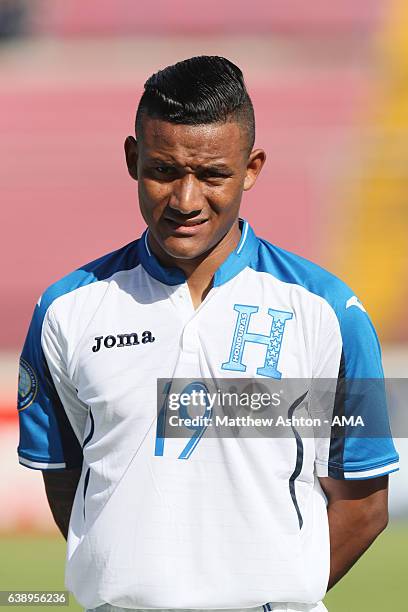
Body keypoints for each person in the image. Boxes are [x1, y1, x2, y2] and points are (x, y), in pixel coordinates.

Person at [17, 56, 399, 612]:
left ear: (251, 168)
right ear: (132, 159)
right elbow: (68, 481)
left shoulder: (328, 310)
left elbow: (363, 503)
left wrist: (274, 596)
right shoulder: (66, 310)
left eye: (213, 174)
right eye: (164, 170)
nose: (186, 200)